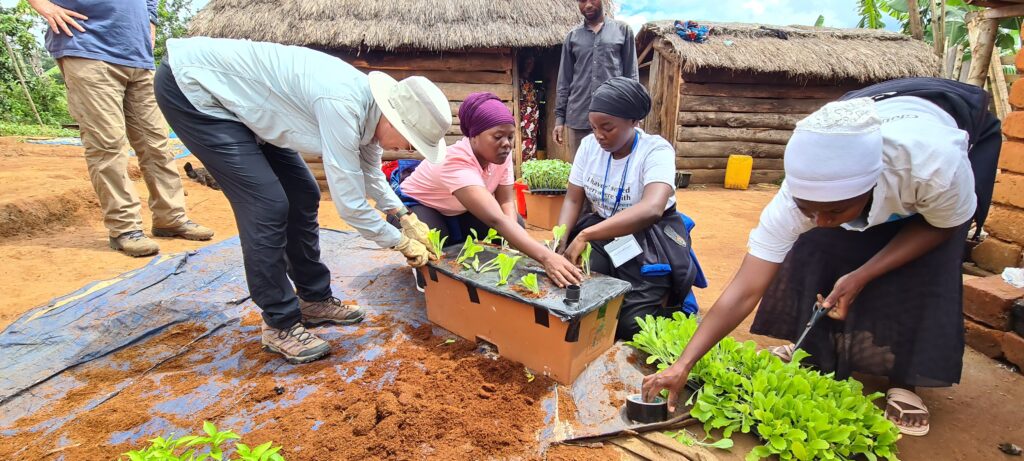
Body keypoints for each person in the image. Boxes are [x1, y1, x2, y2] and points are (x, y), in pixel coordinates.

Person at [642, 78, 1003, 437]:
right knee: (817, 246)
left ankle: (905, 376)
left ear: (871, 186)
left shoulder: (932, 167)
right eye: (808, 209)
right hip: (867, 114)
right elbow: (746, 288)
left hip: (949, 114)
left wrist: (862, 274)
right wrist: (684, 363)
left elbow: (943, 227)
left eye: (833, 209)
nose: (820, 220)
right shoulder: (793, 200)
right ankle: (812, 350)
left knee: (924, 269)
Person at [154, 37, 448, 364]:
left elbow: (371, 174)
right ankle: (279, 323)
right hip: (196, 90)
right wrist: (399, 243)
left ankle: (313, 298)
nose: (410, 151)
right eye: (412, 142)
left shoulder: (371, 114)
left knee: (303, 193)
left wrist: (405, 217)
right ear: (395, 120)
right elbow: (350, 205)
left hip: (249, 106)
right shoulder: (343, 104)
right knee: (267, 204)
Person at [26, 0, 213, 257]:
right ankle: (125, 229)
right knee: (108, 144)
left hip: (137, 55)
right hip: (87, 48)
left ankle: (171, 218)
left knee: (156, 143)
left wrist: (150, 22)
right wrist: (45, 7)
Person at [556, 77, 698, 340]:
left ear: (634, 121)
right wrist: (561, 240)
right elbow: (573, 199)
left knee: (630, 324)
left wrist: (585, 236)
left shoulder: (655, 150)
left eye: (607, 127)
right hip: (602, 230)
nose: (598, 135)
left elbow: (652, 208)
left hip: (648, 237)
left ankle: (669, 304)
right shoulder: (589, 146)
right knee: (577, 292)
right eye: (593, 127)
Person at [396, 92, 582, 287]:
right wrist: (546, 258)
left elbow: (506, 202)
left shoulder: (501, 155)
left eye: (510, 136)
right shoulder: (456, 161)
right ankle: (427, 275)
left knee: (514, 223)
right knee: (433, 238)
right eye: (497, 136)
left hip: (457, 208)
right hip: (417, 207)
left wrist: (512, 244)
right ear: (473, 136)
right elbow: (495, 219)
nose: (507, 144)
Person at [553, 0, 639, 162]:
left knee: (614, 168)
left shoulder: (622, 31)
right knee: (580, 170)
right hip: (579, 116)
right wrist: (559, 119)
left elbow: (631, 76)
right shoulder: (572, 37)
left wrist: (634, 114)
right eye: (582, 1)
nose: (588, 5)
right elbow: (564, 80)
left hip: (614, 117)